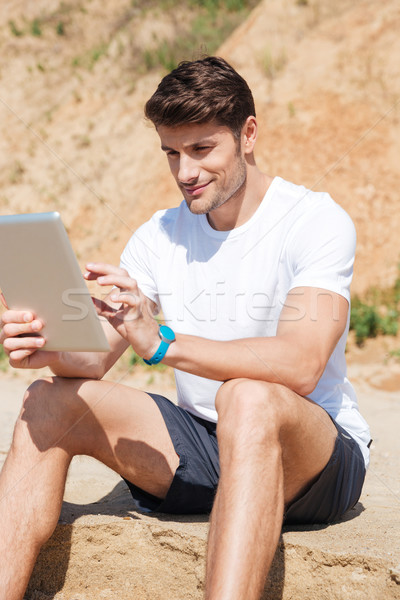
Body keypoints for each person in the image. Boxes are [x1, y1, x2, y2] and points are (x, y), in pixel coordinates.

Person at [0, 56, 371, 600]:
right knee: (48, 400)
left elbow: (301, 363)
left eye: (201, 150)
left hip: (313, 455)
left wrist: (163, 342)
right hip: (204, 446)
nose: (185, 173)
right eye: (172, 153)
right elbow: (92, 360)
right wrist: (48, 345)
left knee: (248, 399)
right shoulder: (158, 235)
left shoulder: (315, 220)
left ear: (247, 134)